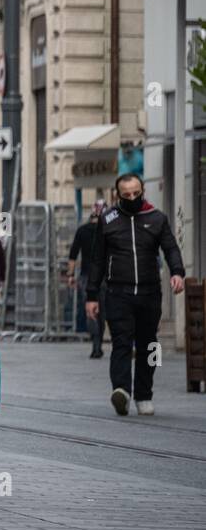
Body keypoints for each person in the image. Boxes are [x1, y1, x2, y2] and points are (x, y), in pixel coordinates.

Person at [85, 174, 185, 417]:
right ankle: (121, 390)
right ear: (117, 195)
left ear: (142, 191)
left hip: (150, 293)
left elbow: (170, 247)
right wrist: (91, 295)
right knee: (121, 342)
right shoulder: (108, 220)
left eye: (136, 193)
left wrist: (177, 272)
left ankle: (145, 394)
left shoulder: (156, 218)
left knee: (150, 345)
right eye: (126, 194)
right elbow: (97, 259)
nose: (132, 198)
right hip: (118, 292)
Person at [69, 202, 106, 357]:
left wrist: (70, 275)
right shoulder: (106, 232)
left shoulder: (82, 231)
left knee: (91, 310)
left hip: (86, 276)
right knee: (102, 310)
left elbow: (73, 254)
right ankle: (98, 341)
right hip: (104, 277)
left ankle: (94, 341)